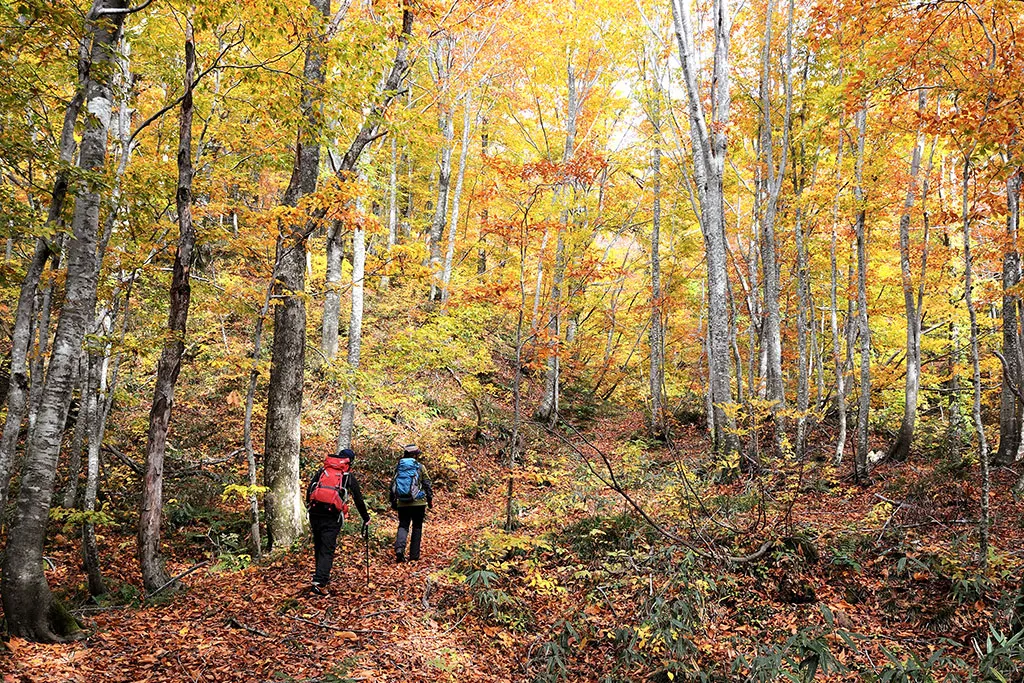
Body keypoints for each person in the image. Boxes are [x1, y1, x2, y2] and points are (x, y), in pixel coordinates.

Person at [306, 447, 369, 596]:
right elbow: (359, 500)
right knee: (327, 549)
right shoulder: (347, 477)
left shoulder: (323, 472)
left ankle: (319, 576)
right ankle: (320, 583)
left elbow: (309, 490)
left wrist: (310, 508)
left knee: (319, 545)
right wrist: (366, 518)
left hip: (315, 513)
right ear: (349, 462)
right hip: (332, 515)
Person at [390, 444, 433, 563]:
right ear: (415, 455)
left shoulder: (398, 467)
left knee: (403, 525)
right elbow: (427, 484)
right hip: (419, 502)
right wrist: (429, 500)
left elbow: (392, 484)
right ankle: (414, 555)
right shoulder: (420, 467)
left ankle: (399, 550)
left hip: (402, 502)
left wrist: (393, 501)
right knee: (417, 527)